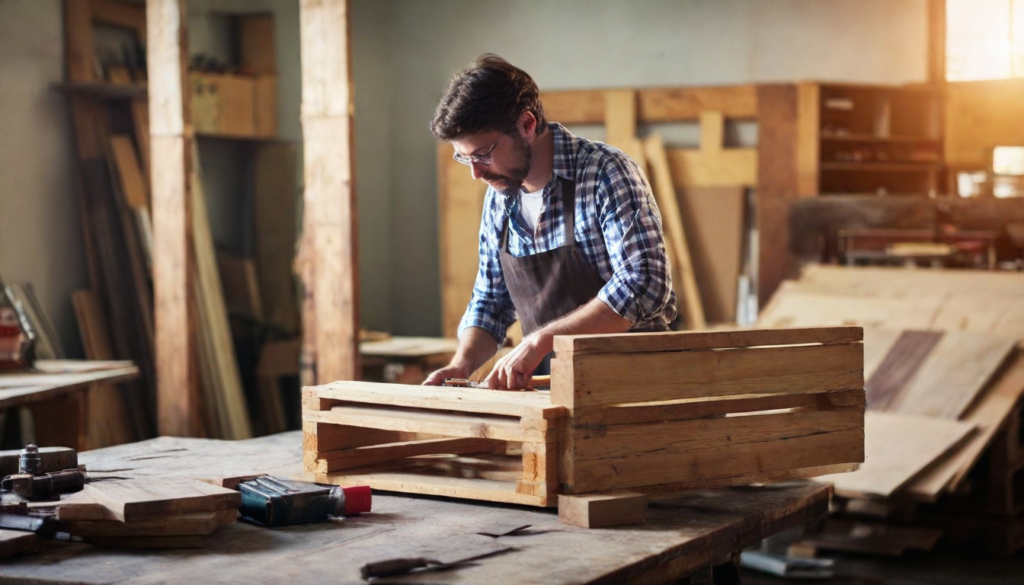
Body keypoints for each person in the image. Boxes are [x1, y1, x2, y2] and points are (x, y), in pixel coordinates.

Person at [424, 54, 677, 390]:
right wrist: (462, 363)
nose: (475, 173)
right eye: (464, 158)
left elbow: (644, 283)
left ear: (527, 124)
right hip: (547, 394)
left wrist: (542, 339)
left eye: (483, 153)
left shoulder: (604, 172)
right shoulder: (500, 196)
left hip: (631, 389)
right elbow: (490, 300)